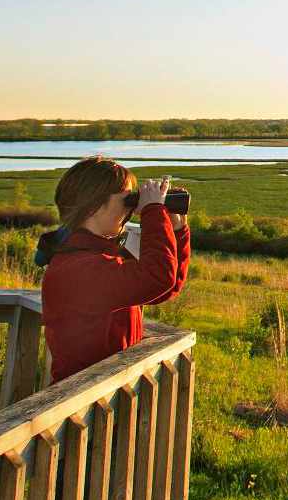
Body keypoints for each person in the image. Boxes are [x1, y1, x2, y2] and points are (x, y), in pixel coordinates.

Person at [37, 156, 190, 382]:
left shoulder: (94, 257)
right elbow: (158, 277)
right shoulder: (79, 269)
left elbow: (165, 287)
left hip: (102, 396)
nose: (131, 209)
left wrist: (176, 230)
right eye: (127, 200)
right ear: (94, 207)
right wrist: (152, 211)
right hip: (82, 403)